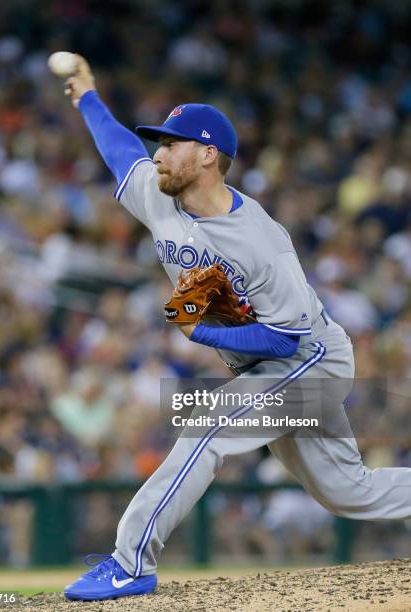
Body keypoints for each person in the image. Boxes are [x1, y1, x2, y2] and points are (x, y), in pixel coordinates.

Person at [62, 56, 411, 601]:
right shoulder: (159, 193)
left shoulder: (262, 242)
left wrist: (200, 333)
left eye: (171, 143)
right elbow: (118, 151)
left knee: (206, 427)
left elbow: (284, 340)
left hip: (308, 359)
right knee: (350, 492)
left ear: (207, 155)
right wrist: (88, 96)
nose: (158, 153)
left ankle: (130, 563)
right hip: (267, 362)